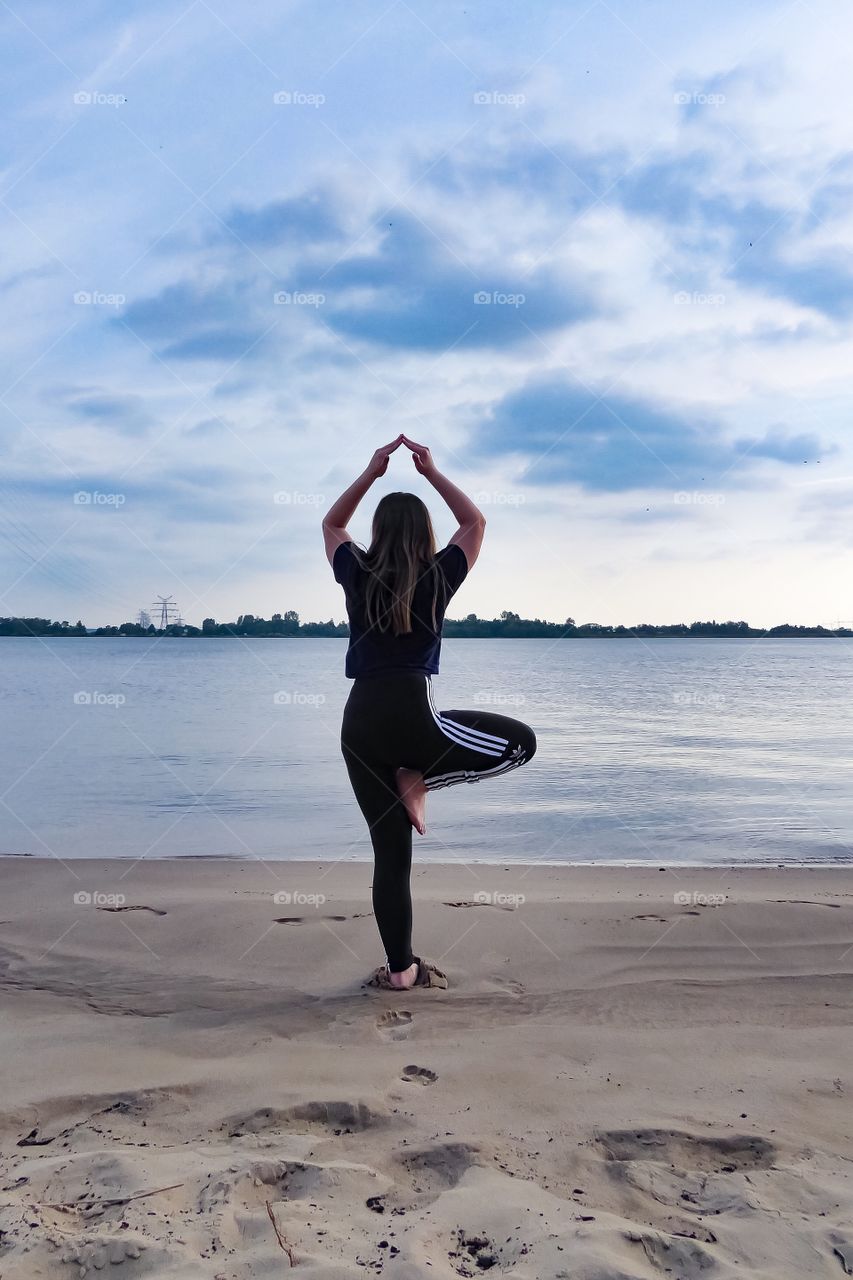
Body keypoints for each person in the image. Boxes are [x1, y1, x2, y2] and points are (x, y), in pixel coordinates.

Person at [323, 434, 537, 990]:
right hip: (414, 718)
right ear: (425, 534)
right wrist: (431, 473)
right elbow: (476, 523)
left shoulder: (357, 572)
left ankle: (400, 972)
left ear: (378, 532)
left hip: (359, 724)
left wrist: (372, 472)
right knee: (520, 744)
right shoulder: (438, 575)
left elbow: (331, 525)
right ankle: (418, 775)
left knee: (389, 853)